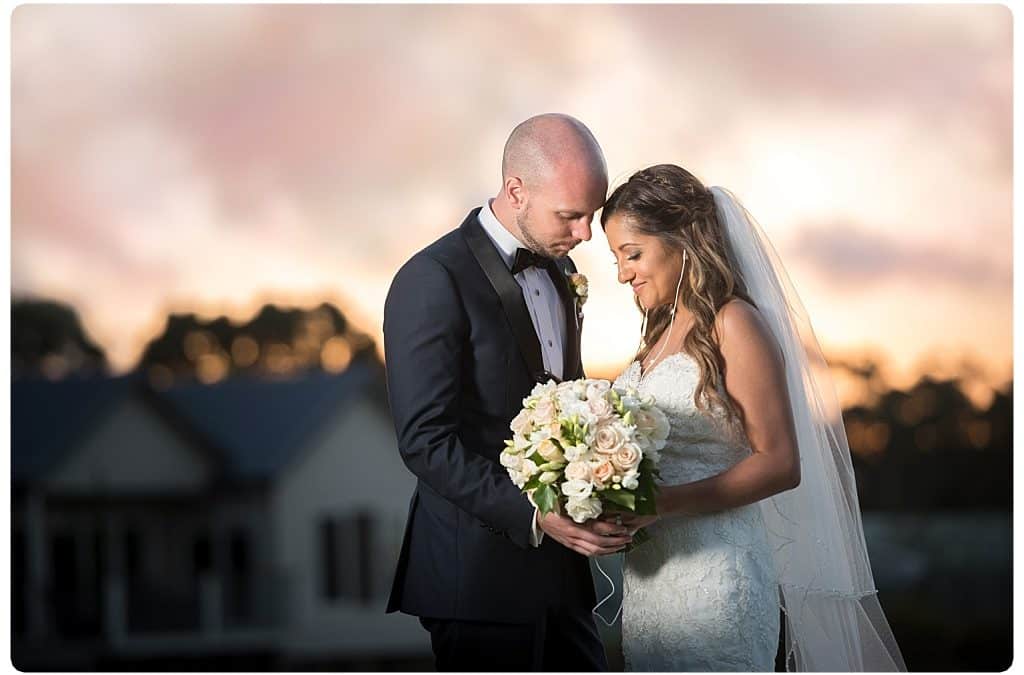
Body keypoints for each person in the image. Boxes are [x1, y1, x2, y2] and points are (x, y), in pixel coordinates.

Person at [601, 164, 907, 671]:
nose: (622, 273)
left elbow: (781, 463)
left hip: (717, 580)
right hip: (651, 579)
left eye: (632, 254)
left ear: (682, 240)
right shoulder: (657, 336)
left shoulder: (735, 323)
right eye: (615, 258)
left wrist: (664, 504)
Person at [383, 114, 630, 671]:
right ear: (516, 191)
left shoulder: (563, 271)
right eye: (571, 215)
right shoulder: (432, 278)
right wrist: (536, 515)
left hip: (562, 580)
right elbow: (424, 441)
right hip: (475, 581)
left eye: (591, 214)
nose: (586, 232)